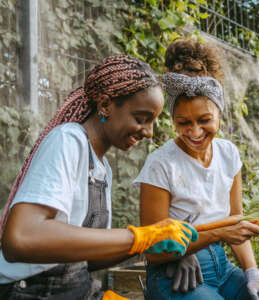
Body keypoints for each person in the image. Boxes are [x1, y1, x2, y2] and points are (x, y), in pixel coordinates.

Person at [134, 40, 259, 300]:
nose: (195, 132)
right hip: (176, 277)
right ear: (173, 119)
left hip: (224, 271)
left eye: (205, 120)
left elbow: (236, 221)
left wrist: (252, 273)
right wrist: (196, 243)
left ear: (220, 113)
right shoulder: (161, 164)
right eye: (183, 123)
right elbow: (152, 249)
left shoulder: (228, 154)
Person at [0, 55, 198, 300]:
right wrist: (140, 236)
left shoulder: (101, 167)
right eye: (141, 119)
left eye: (153, 122)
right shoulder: (68, 140)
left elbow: (88, 258)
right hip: (31, 291)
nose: (149, 132)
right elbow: (21, 238)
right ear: (105, 105)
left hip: (76, 288)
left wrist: (148, 245)